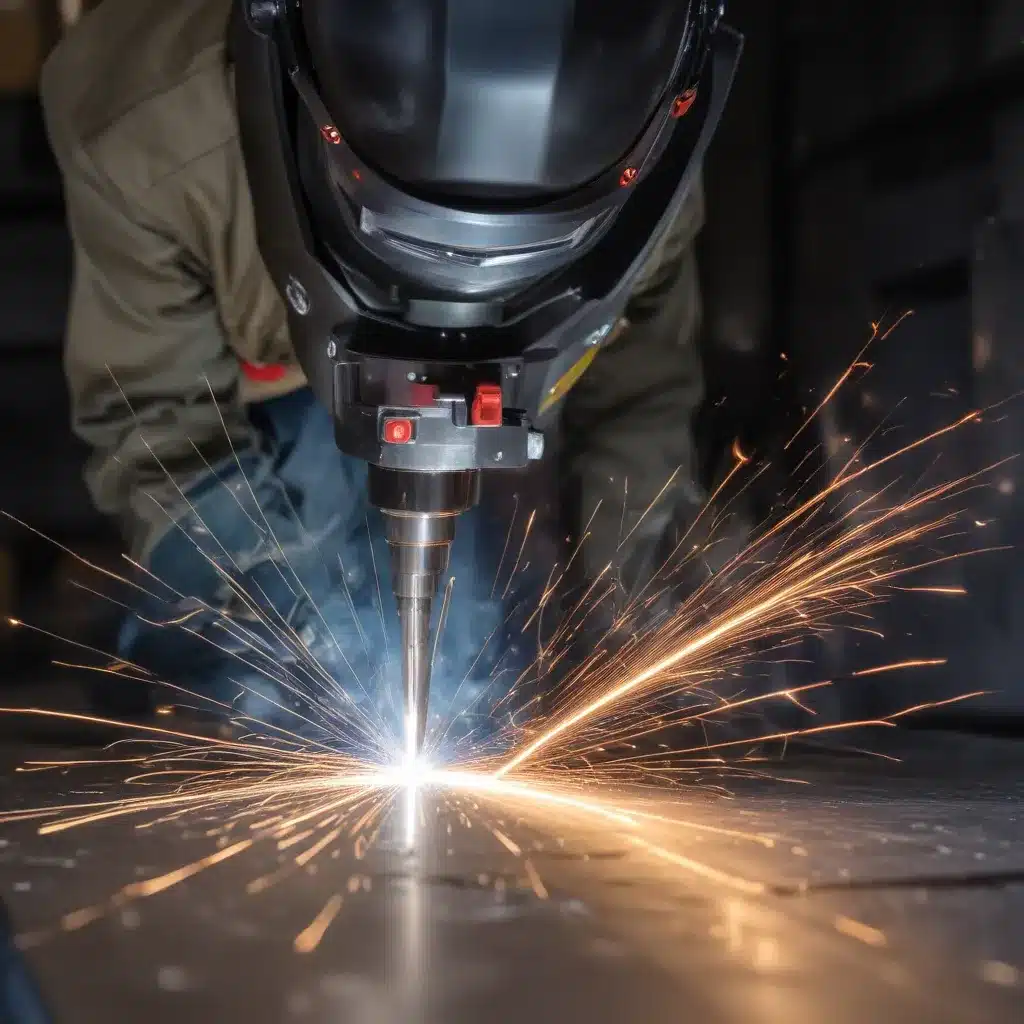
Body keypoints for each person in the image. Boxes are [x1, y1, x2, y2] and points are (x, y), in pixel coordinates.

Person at [40, 0, 729, 739]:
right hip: (259, 395)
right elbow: (154, 414)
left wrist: (630, 601)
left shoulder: (648, 156)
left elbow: (642, 395)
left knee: (481, 665)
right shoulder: (147, 132)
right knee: (289, 673)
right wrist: (283, 638)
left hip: (497, 435)